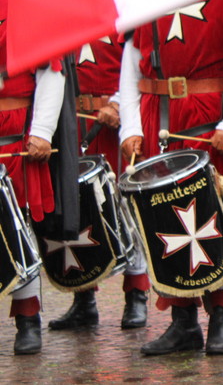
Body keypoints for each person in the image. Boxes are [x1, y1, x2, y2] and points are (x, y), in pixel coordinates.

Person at [118, 0, 223, 356]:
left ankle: (222, 319)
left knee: (213, 218)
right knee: (163, 220)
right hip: (156, 119)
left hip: (206, 117)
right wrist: (129, 126)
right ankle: (183, 323)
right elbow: (130, 67)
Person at [47, 36, 151, 332]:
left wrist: (118, 102)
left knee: (123, 211)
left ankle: (136, 293)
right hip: (72, 121)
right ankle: (84, 299)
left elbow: (136, 65)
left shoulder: (116, 8)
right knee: (76, 208)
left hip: (113, 124)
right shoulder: (59, 18)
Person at [0, 0, 65, 355]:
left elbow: (51, 71)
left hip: (14, 139)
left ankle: (28, 317)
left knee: (16, 226)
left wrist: (41, 130)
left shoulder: (24, 2)